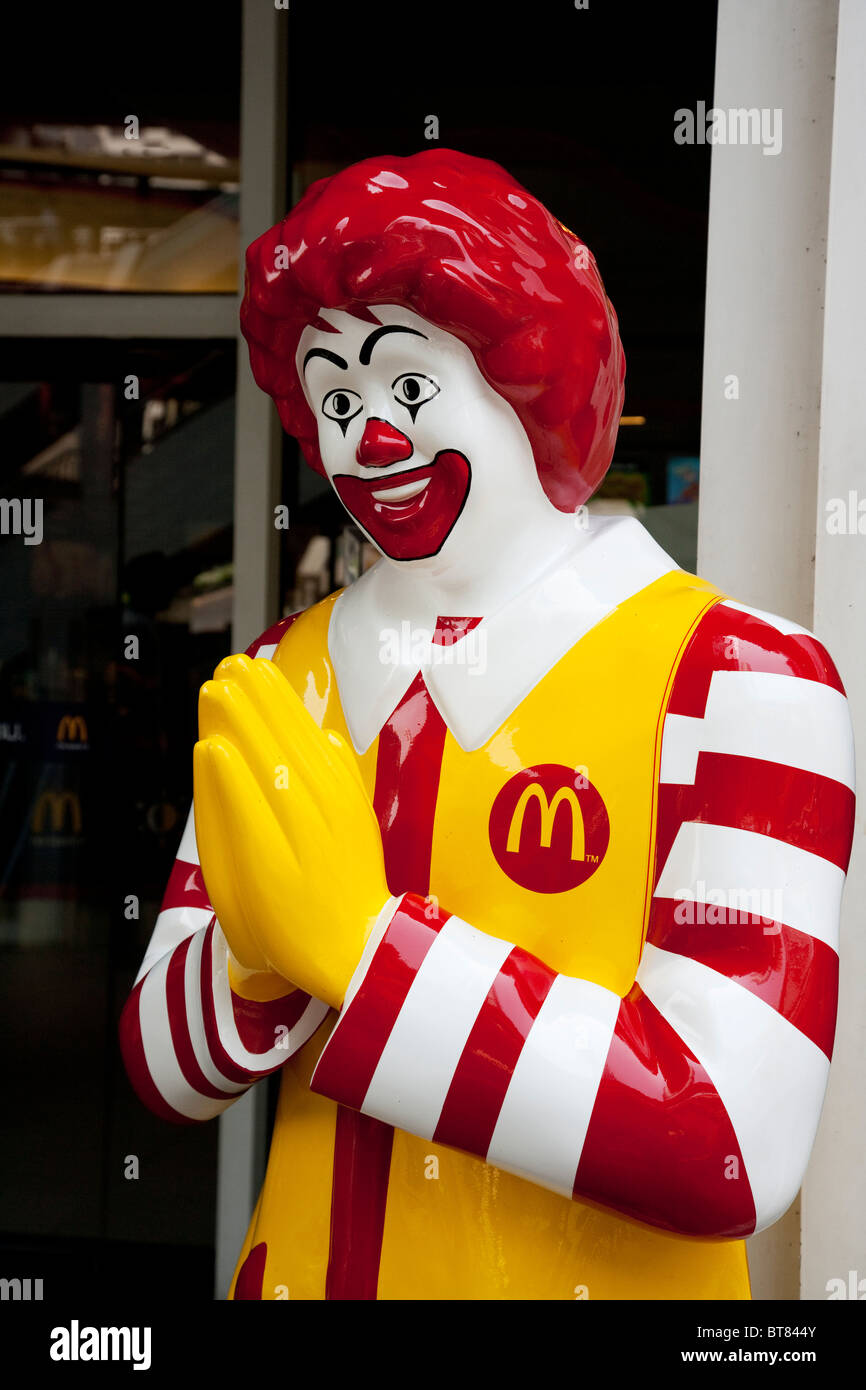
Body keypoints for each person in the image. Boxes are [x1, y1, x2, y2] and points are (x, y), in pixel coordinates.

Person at [120, 149, 855, 1300]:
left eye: (408, 387)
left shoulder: (740, 683)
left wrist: (361, 951)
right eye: (336, 397)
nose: (368, 440)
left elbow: (729, 1137)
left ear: (531, 374)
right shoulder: (279, 673)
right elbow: (163, 1066)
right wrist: (253, 964)